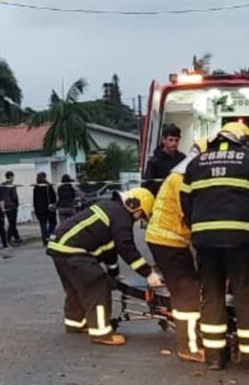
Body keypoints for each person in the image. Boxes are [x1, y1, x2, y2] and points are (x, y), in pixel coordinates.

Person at [181, 121, 249, 370]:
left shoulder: (196, 163)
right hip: (242, 239)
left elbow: (186, 202)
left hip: (205, 241)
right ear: (244, 141)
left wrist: (198, 229)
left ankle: (214, 356)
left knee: (211, 294)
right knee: (248, 293)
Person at [47, 189, 157, 346]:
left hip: (60, 248)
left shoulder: (111, 208)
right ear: (134, 206)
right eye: (141, 215)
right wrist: (149, 274)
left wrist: (114, 274)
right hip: (75, 251)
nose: (139, 219)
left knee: (76, 288)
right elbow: (126, 247)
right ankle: (102, 333)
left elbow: (109, 249)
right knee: (97, 286)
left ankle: (75, 323)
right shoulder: (121, 216)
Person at [145, 137, 208, 363]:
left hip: (166, 239)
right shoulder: (184, 177)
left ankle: (190, 341)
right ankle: (188, 346)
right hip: (169, 241)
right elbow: (189, 214)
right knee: (187, 293)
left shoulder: (180, 172)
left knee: (186, 290)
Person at [142, 123, 186, 195]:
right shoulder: (154, 162)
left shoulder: (182, 159)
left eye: (176, 140)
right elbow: (146, 186)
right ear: (163, 140)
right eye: (171, 140)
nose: (174, 143)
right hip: (160, 199)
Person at [33, 172, 58, 243]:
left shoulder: (36, 187)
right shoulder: (48, 185)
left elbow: (35, 200)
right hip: (49, 208)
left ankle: (45, 240)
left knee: (43, 225)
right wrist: (54, 204)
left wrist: (35, 209)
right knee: (53, 223)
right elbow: (53, 196)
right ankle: (50, 236)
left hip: (40, 209)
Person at [3, 171, 22, 245]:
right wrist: (16, 204)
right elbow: (14, 196)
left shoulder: (3, 185)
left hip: (5, 206)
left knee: (11, 222)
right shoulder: (12, 186)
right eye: (13, 177)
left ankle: (17, 237)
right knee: (12, 223)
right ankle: (8, 238)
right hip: (12, 206)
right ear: (10, 177)